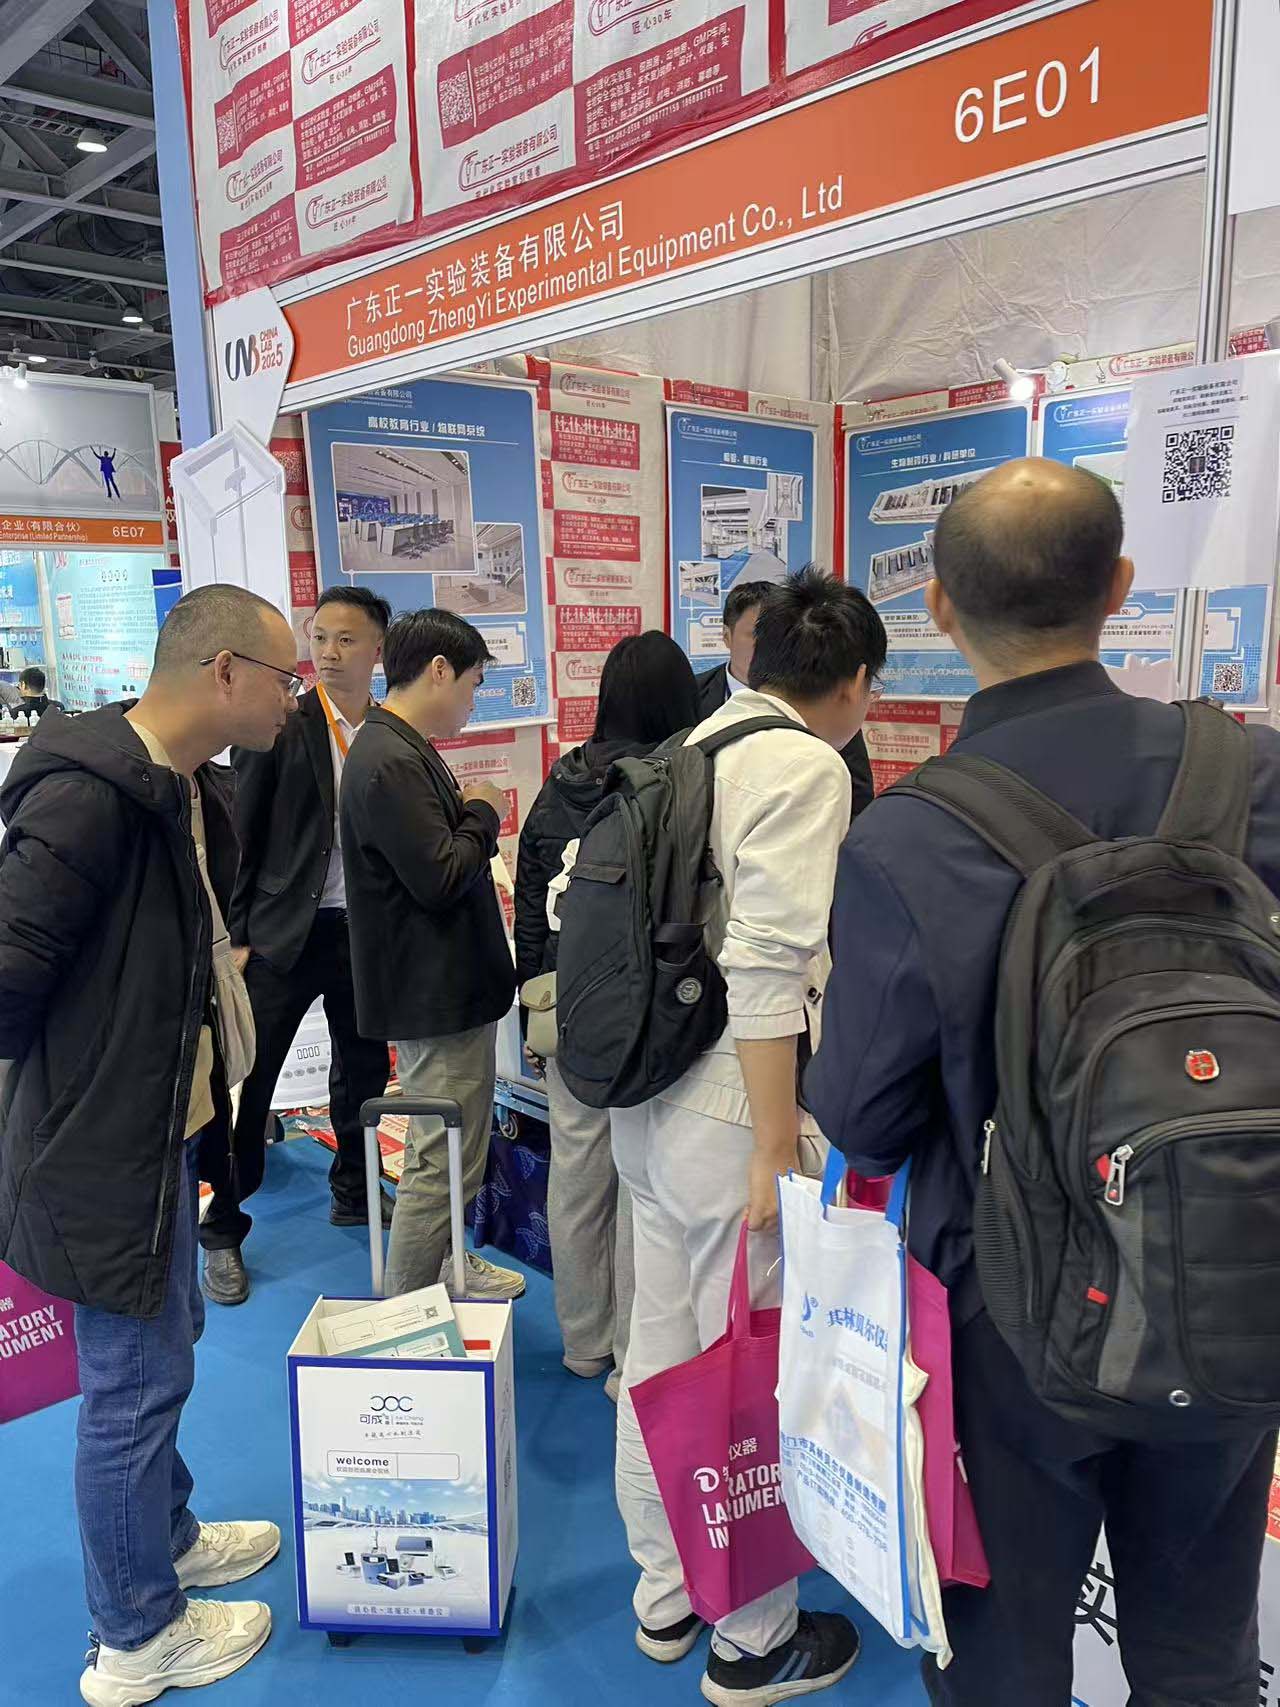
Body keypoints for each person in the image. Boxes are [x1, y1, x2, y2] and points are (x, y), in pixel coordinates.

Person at [806, 458, 1280, 1707]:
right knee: (1202, 1655)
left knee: (1001, 1662)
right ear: (1118, 587)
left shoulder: (908, 835)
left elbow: (862, 1119)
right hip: (1232, 1270)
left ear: (937, 608)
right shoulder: (1252, 776)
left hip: (1006, 1324)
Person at [0, 584, 301, 1706]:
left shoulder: (183, 787)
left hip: (161, 1129)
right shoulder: (92, 797)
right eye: (284, 677)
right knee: (131, 1383)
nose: (293, 698)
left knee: (162, 1348)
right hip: (104, 1146)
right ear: (224, 671)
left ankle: (163, 1536)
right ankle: (134, 1634)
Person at [609, 569, 884, 1704]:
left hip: (644, 1099)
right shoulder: (805, 766)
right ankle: (755, 1638)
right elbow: (770, 967)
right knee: (749, 1373)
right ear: (854, 682)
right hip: (733, 1112)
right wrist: (777, 1141)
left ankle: (667, 1593)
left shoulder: (688, 748)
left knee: (660, 1354)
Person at [515, 632, 700, 1395]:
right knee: (642, 1183)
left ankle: (582, 1338)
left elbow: (531, 901)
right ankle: (632, 1350)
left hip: (565, 1010)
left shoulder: (560, 782)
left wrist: (533, 1000)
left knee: (577, 1169)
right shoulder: (675, 782)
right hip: (644, 1016)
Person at [199, 585, 395, 1305]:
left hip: (360, 933)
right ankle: (223, 1227)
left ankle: (355, 1191)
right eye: (320, 638)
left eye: (347, 639)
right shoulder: (283, 721)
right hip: (283, 934)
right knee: (249, 1084)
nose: (330, 653)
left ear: (377, 649)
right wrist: (240, 935)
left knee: (363, 1073)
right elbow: (241, 832)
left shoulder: (391, 730)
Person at [340, 608, 524, 1300]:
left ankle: (447, 1267)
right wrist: (484, 811)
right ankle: (408, 1314)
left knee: (454, 1150)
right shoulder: (389, 758)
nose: (473, 703)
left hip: (444, 988)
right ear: (439, 670)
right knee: (439, 1158)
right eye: (473, 685)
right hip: (433, 993)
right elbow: (441, 875)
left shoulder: (398, 746)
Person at [696, 580, 875, 820]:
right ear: (727, 636)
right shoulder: (692, 693)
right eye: (756, 635)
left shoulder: (823, 701)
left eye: (775, 637)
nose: (766, 647)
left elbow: (859, 795)